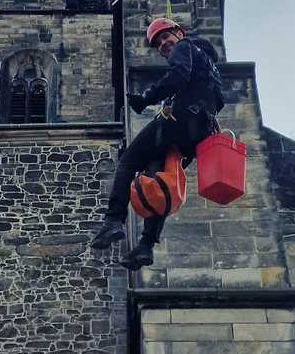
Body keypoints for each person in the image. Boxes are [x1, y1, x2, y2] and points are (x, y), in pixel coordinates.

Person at [91, 18, 224, 270]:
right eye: (159, 43)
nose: (163, 44)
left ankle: (113, 220)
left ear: (179, 32)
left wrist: (145, 98)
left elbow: (177, 76)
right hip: (196, 135)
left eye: (166, 37)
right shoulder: (209, 66)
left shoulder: (185, 47)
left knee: (129, 159)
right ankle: (145, 246)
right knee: (159, 179)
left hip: (180, 121)